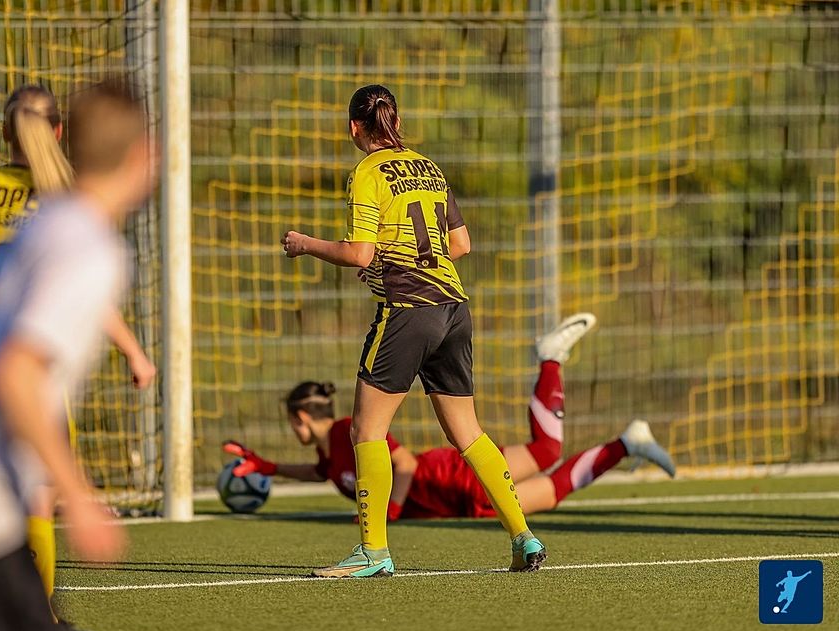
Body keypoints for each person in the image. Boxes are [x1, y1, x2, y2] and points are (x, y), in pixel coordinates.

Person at [0, 79, 154, 631]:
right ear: (142, 154)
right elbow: (14, 373)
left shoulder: (44, 228)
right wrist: (81, 498)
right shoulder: (87, 243)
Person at [282, 84, 546, 577]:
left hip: (406, 308)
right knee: (469, 434)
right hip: (453, 307)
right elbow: (461, 244)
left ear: (353, 127)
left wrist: (304, 243)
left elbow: (360, 253)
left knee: (366, 429)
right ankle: (524, 537)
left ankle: (373, 552)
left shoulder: (366, 172)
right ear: (396, 121)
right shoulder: (429, 167)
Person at [224, 314, 676, 524]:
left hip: (449, 478)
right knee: (553, 489)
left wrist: (393, 511)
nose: (292, 432)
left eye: (291, 424)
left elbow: (403, 465)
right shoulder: (329, 456)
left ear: (302, 417)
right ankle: (627, 443)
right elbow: (317, 473)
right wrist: (267, 467)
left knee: (547, 454)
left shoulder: (349, 431)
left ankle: (550, 359)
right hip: (453, 503)